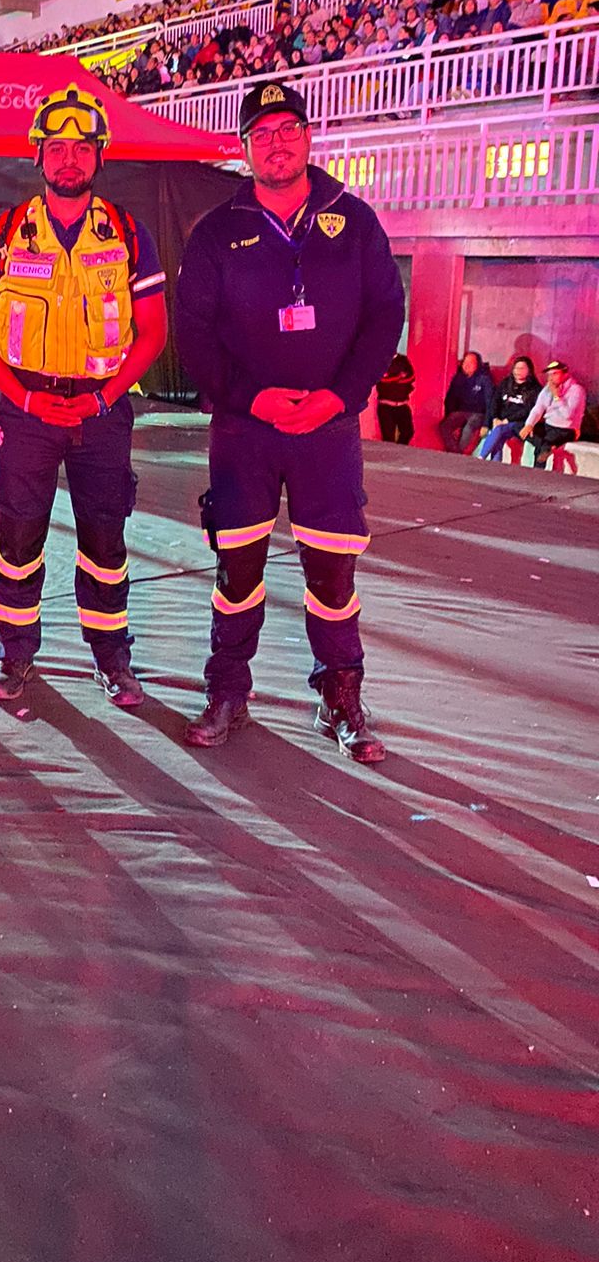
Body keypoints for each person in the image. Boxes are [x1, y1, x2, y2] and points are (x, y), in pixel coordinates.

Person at [174, 80, 405, 764]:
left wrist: (341, 397)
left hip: (329, 432)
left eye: (288, 129)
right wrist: (251, 399)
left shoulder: (354, 221)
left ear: (307, 137)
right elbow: (193, 334)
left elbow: (385, 315)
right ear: (244, 149)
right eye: (262, 133)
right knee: (236, 571)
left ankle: (341, 698)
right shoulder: (216, 232)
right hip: (245, 433)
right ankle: (227, 693)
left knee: (333, 577)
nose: (276, 142)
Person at [0, 85, 168, 707]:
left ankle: (112, 659)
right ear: (38, 157)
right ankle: (15, 654)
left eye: (81, 148)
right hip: (26, 412)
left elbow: (154, 333)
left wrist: (103, 399)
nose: (69, 159)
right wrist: (23, 400)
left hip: (101, 412)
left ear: (99, 156)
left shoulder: (127, 234)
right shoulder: (3, 233)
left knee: (105, 542)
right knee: (17, 540)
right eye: (56, 148)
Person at [520, 360, 586, 468]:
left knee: (544, 446)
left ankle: (539, 470)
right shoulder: (547, 389)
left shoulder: (576, 390)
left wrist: (557, 396)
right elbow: (538, 408)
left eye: (555, 374)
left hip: (566, 429)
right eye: (549, 375)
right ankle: (545, 449)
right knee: (522, 430)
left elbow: (568, 415)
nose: (550, 378)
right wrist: (529, 424)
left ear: (565, 374)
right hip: (549, 425)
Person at [477, 356, 540, 461]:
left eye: (522, 368)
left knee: (499, 429)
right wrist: (495, 418)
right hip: (501, 421)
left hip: (519, 424)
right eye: (516, 368)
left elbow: (528, 410)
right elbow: (495, 402)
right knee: (498, 437)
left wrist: (507, 420)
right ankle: (495, 465)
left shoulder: (535, 388)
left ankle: (481, 457)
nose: (518, 371)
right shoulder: (505, 383)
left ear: (529, 370)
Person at [438, 352, 494, 453]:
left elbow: (490, 402)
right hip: (462, 412)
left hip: (478, 413)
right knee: (444, 425)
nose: (467, 365)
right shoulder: (458, 378)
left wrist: (486, 424)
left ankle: (459, 453)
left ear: (477, 364)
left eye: (471, 363)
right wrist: (449, 414)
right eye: (465, 362)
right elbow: (450, 399)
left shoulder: (484, 379)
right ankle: (454, 451)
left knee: (469, 426)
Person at [375, 352, 415, 443]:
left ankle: (400, 450)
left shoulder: (403, 360)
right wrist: (399, 377)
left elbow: (411, 377)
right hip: (385, 406)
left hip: (402, 405)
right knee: (388, 437)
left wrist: (392, 378)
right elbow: (381, 380)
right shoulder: (381, 360)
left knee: (408, 432)